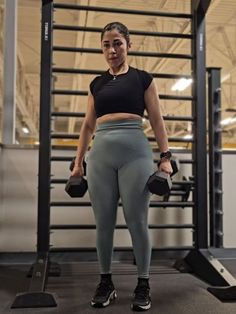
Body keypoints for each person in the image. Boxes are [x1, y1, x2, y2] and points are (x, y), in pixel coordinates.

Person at [71, 21, 172, 311]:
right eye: (106, 44)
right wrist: (78, 163)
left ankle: (143, 283)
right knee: (103, 223)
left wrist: (165, 159)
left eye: (117, 43)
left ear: (128, 45)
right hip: (101, 155)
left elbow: (157, 119)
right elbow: (88, 125)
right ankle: (106, 283)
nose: (112, 50)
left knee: (137, 220)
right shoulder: (96, 84)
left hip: (136, 154)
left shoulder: (143, 79)